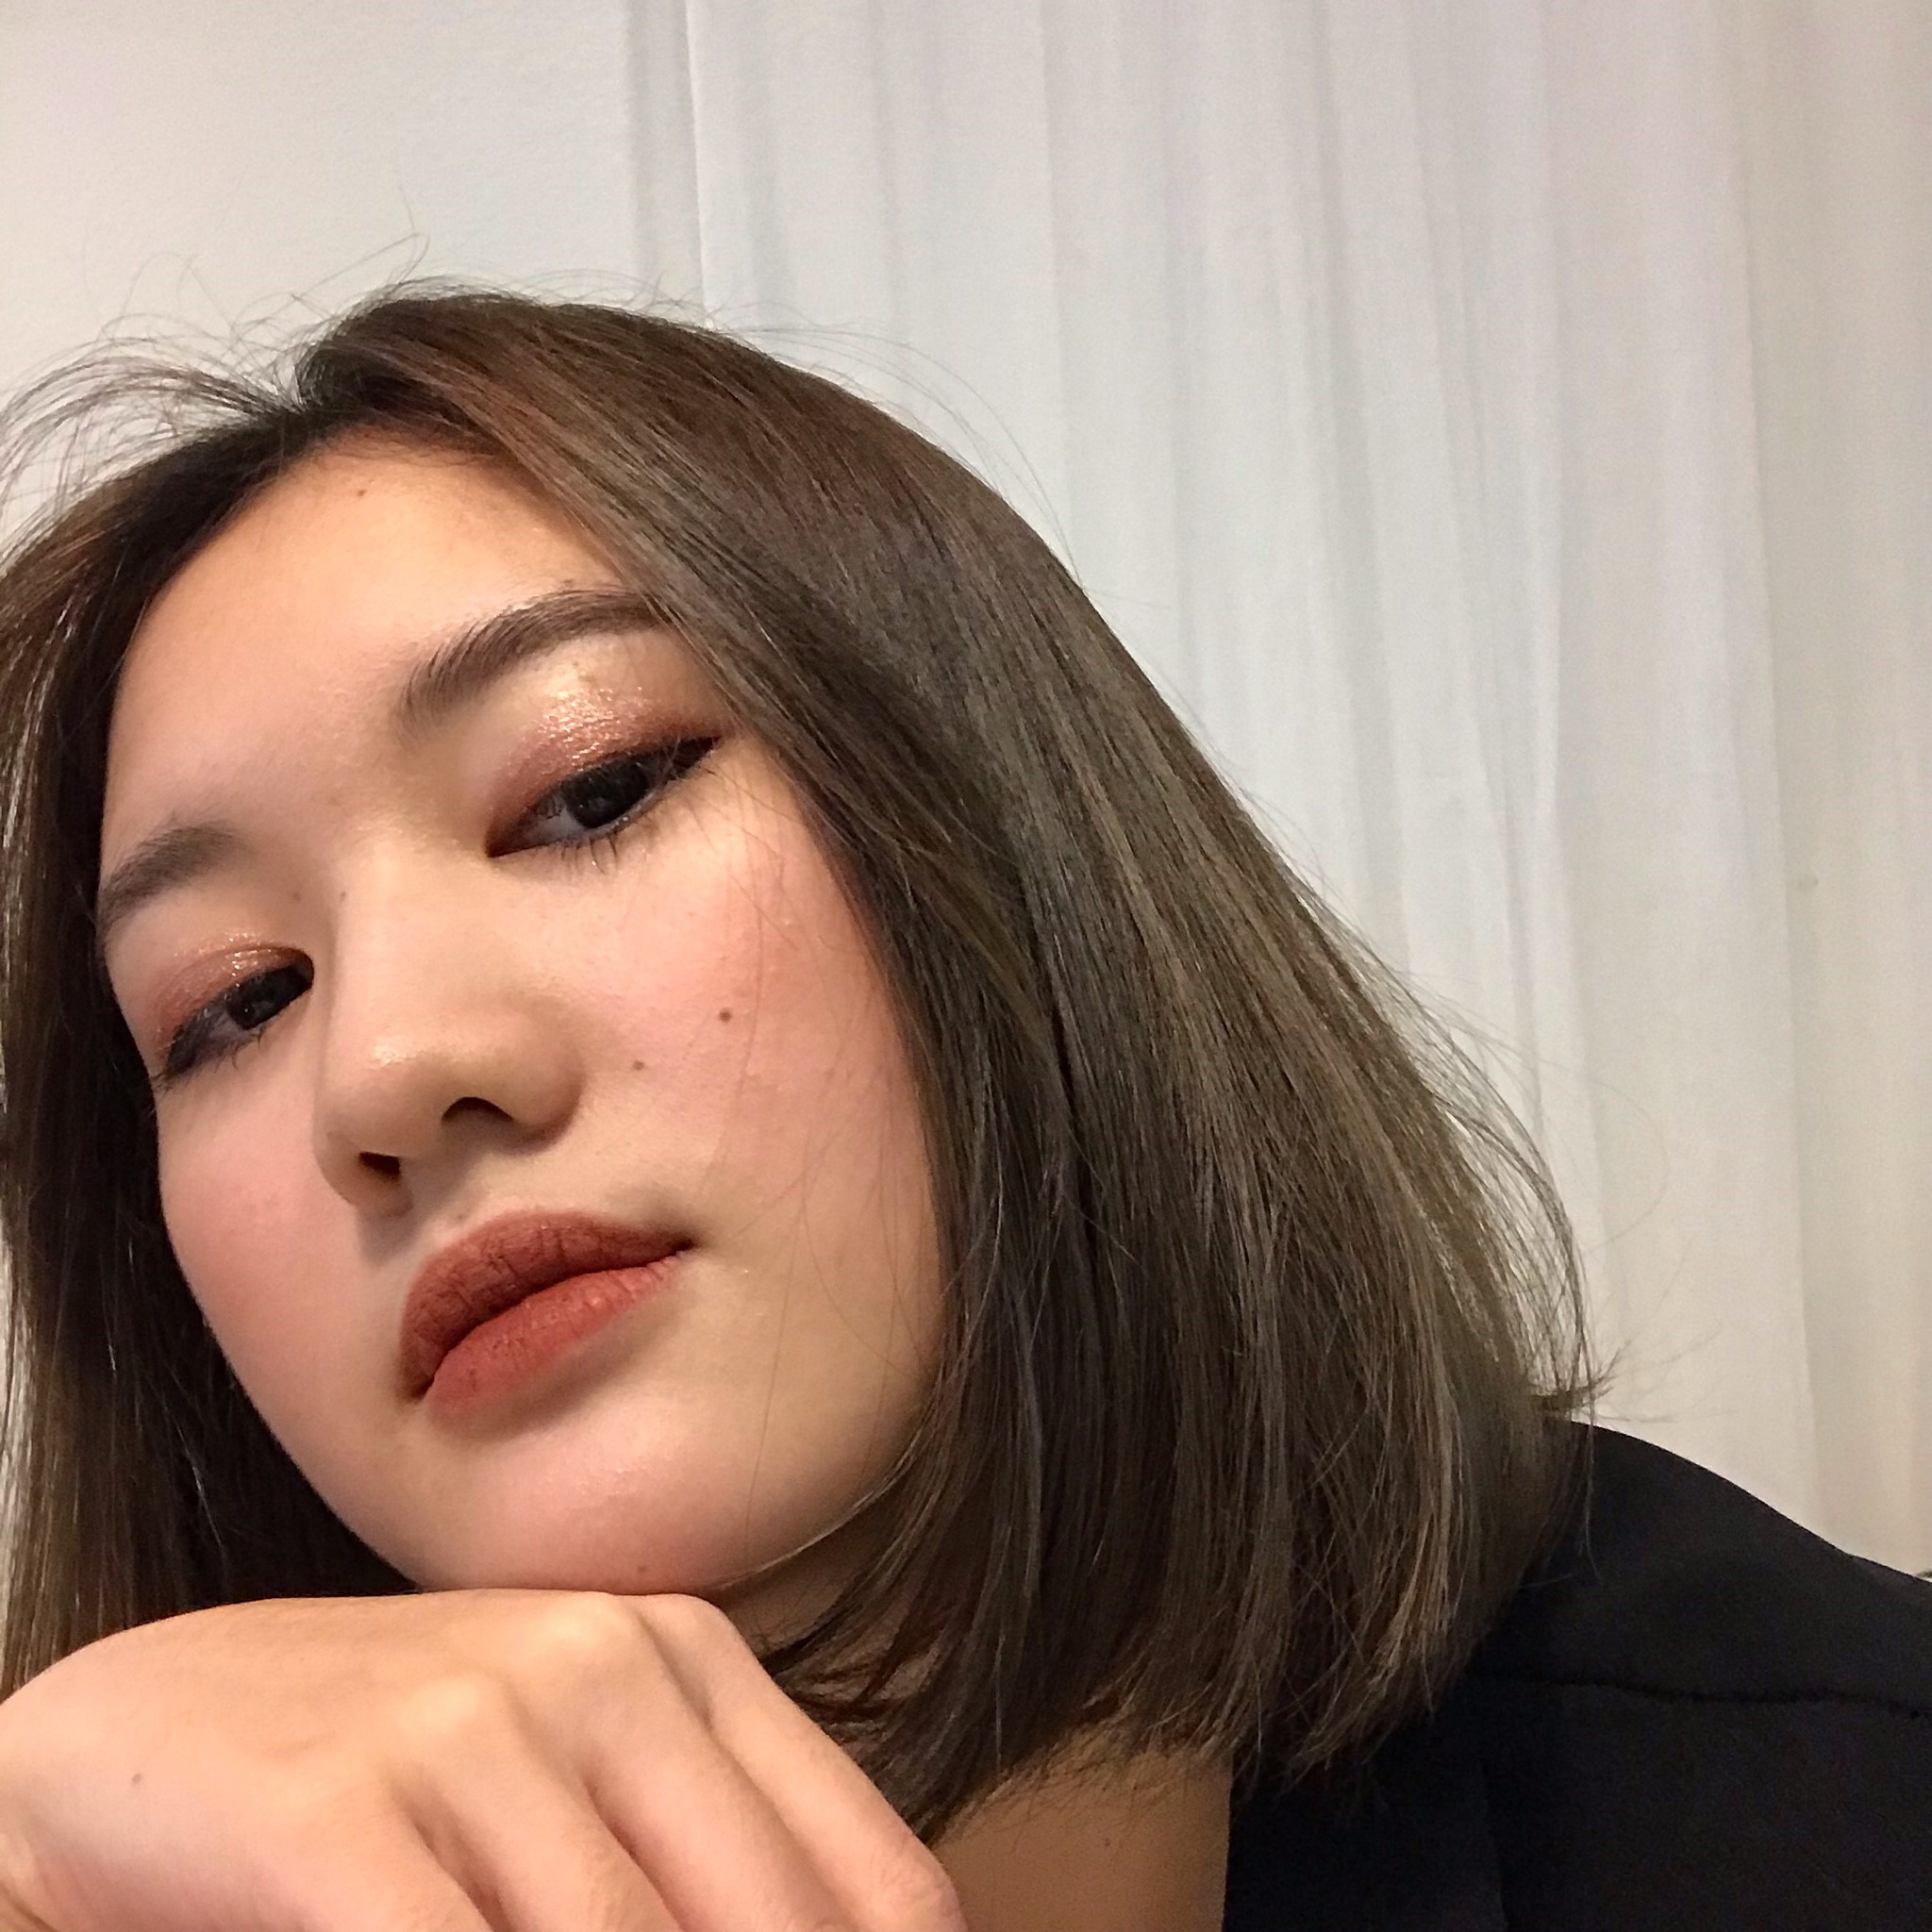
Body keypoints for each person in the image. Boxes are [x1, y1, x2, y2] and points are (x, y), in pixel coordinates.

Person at [0, 285, 1922, 1931]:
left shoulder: (1833, 1808)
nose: (386, 1071)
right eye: (232, 1001)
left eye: (591, 791)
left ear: (1014, 839)